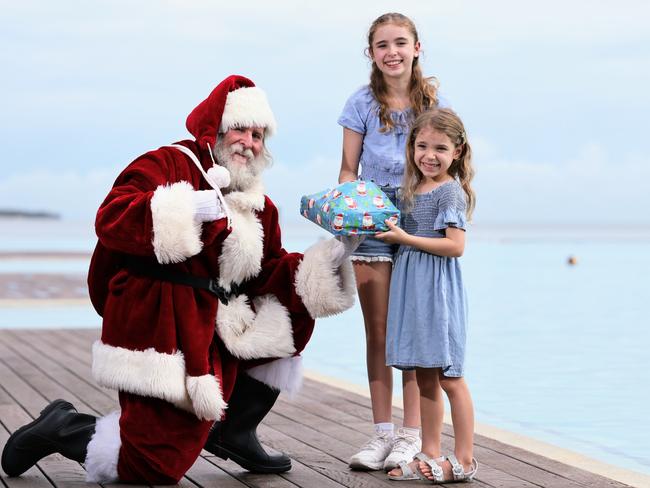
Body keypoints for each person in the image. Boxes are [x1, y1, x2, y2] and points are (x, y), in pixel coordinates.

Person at [1, 75, 359, 484]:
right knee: (152, 467)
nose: (249, 141)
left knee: (293, 308)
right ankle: (62, 427)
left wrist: (333, 255)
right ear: (217, 128)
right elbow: (112, 217)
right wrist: (186, 207)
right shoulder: (168, 163)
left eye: (259, 135)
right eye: (241, 128)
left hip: (215, 325)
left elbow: (269, 271)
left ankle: (234, 430)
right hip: (160, 321)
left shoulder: (258, 202)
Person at [337, 12, 448, 471]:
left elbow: (445, 161)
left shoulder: (433, 103)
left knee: (411, 332)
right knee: (379, 331)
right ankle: (381, 434)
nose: (392, 52)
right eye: (382, 45)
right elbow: (348, 168)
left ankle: (410, 436)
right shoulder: (360, 102)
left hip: (419, 217)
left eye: (400, 42)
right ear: (372, 54)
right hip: (372, 216)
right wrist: (351, 212)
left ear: (417, 47)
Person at [375, 108, 478, 483]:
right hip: (412, 288)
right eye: (421, 146)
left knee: (450, 376)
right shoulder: (411, 189)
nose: (429, 155)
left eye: (439, 148)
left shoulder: (449, 191)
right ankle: (430, 451)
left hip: (438, 290)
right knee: (424, 376)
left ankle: (465, 458)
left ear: (458, 151)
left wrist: (403, 238)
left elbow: (455, 245)